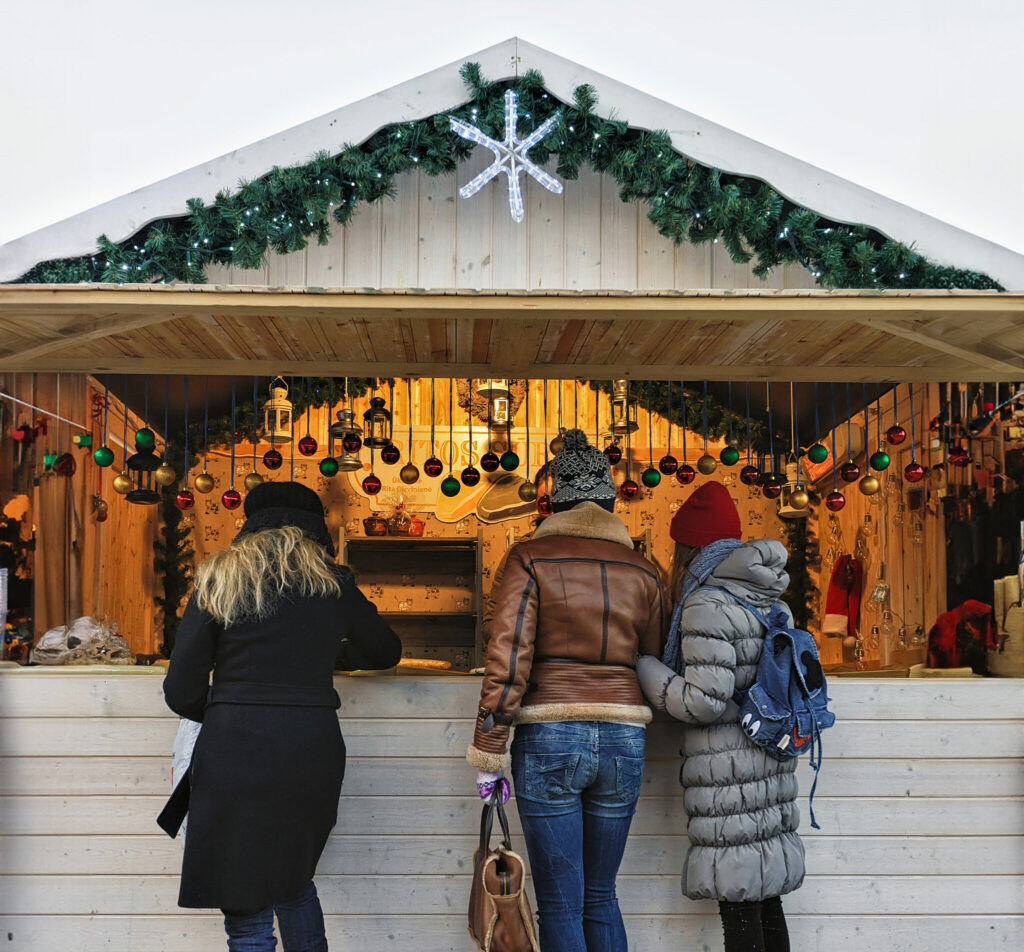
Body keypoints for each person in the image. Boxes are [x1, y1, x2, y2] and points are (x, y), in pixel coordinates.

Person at [162, 481, 402, 952]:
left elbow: (180, 689)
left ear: (249, 524)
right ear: (316, 528)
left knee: (244, 898)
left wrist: (228, 708)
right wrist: (326, 659)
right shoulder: (333, 582)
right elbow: (385, 650)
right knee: (293, 881)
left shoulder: (218, 577)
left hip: (234, 747)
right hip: (310, 746)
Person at [468, 429, 667, 952]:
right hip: (624, 738)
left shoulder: (530, 558)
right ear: (607, 501)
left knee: (559, 903)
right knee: (601, 895)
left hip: (551, 734)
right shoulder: (645, 570)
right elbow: (653, 659)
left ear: (552, 501)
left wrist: (489, 741)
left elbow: (509, 655)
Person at [637, 482, 803, 952]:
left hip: (728, 772)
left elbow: (705, 702)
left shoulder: (706, 603)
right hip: (769, 763)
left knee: (740, 905)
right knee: (766, 897)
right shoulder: (772, 601)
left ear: (688, 547)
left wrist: (646, 668)